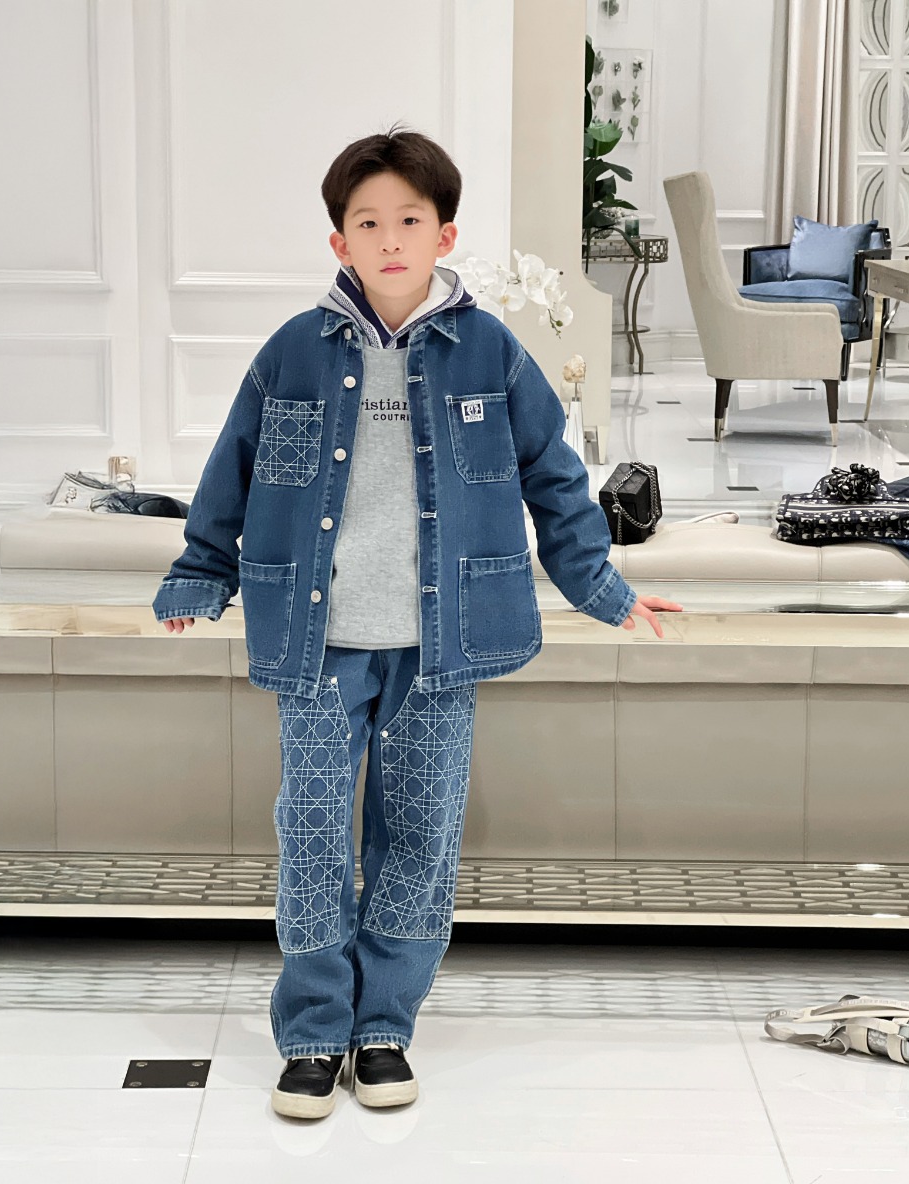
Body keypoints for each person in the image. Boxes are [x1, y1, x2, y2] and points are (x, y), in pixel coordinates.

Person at [152, 123, 681, 1120]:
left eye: (409, 219)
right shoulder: (293, 351)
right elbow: (231, 471)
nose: (389, 238)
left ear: (445, 235)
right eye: (367, 222)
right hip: (318, 643)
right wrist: (199, 573)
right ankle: (315, 1031)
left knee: (421, 835)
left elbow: (555, 477)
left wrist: (602, 587)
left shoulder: (490, 350)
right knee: (312, 830)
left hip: (443, 646)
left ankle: (384, 1024)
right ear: (339, 241)